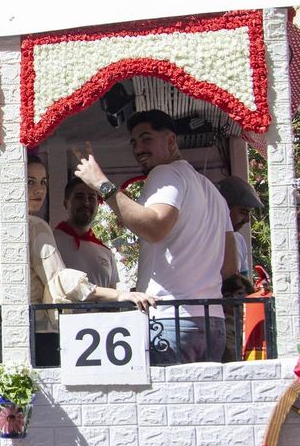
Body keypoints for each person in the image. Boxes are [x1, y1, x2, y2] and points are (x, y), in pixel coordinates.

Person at [74, 110, 237, 365]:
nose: (139, 148)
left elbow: (155, 227)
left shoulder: (166, 173)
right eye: (134, 142)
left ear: (171, 141)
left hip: (171, 320)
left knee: (166, 405)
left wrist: (101, 184)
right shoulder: (213, 193)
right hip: (211, 321)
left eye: (146, 139)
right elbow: (230, 268)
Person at [0, 158, 154, 366]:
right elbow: (61, 281)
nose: (39, 190)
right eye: (29, 182)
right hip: (33, 334)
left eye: (43, 181)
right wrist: (121, 295)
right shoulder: (33, 225)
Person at [54, 177, 121, 290]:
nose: (86, 202)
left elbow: (113, 296)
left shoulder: (106, 253)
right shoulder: (51, 242)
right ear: (66, 204)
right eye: (79, 197)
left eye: (91, 198)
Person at [216, 176, 263, 294]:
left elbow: (243, 285)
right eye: (243, 212)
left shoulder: (239, 240)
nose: (247, 220)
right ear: (224, 208)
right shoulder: (202, 238)